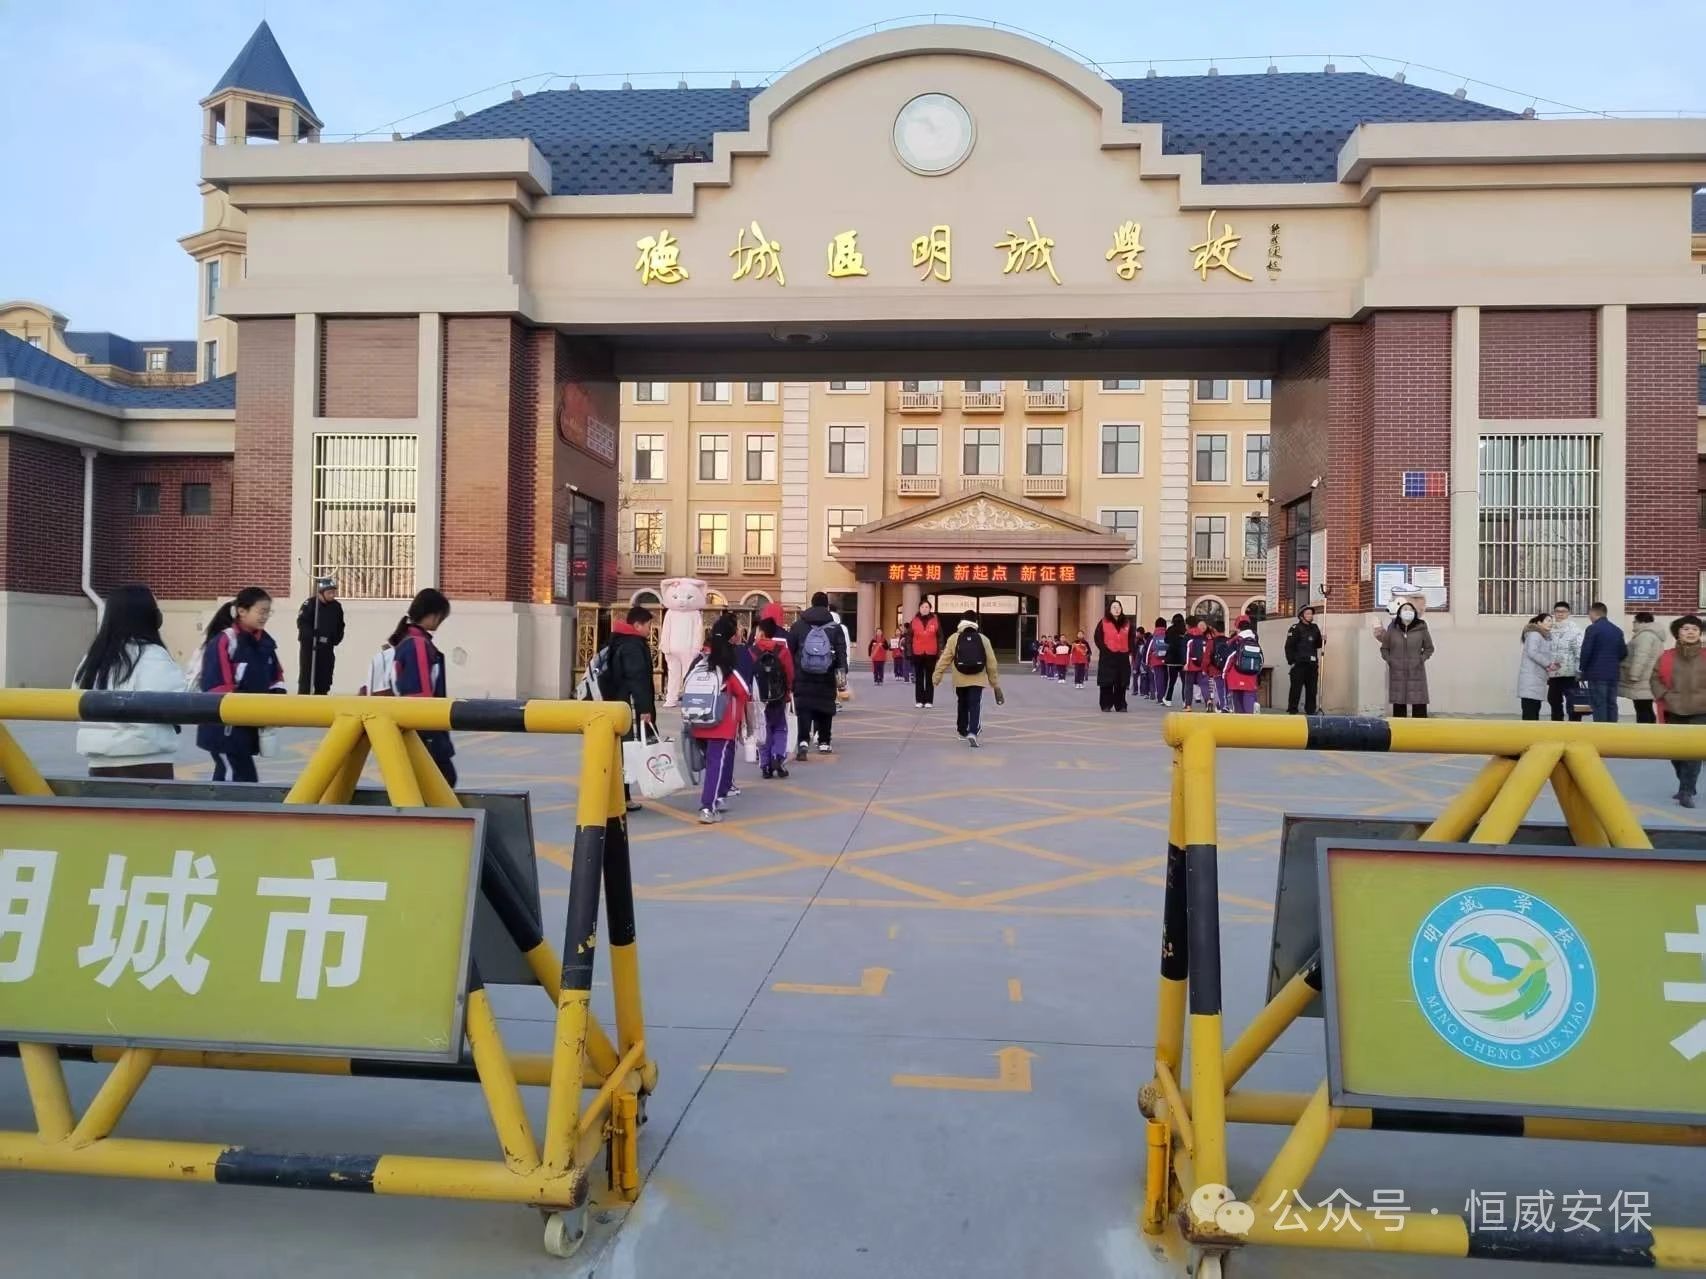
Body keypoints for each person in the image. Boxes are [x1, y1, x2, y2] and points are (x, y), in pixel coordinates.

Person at [73, 583, 184, 778]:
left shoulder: (92, 660)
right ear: (148, 616)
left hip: (99, 763)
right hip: (147, 761)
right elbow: (178, 703)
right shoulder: (152, 655)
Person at [197, 586, 286, 782]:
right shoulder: (225, 641)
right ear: (242, 611)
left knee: (242, 775)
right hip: (224, 726)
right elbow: (217, 684)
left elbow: (276, 676)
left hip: (247, 722)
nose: (265, 616)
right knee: (235, 775)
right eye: (261, 611)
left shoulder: (265, 643)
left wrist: (276, 703)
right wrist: (237, 709)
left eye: (268, 612)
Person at [390, 588, 457, 786]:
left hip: (416, 729)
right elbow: (419, 695)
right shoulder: (418, 645)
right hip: (425, 730)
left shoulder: (407, 640)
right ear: (433, 615)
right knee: (443, 781)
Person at [687, 622, 751, 822]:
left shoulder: (699, 662)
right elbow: (744, 692)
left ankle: (719, 797)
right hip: (721, 724)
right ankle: (708, 807)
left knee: (714, 763)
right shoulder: (727, 667)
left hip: (698, 720)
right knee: (717, 764)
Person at [604, 605, 658, 811]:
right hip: (629, 706)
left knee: (620, 751)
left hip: (616, 703)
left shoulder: (617, 641)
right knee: (628, 752)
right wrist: (645, 709)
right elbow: (637, 679)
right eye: (648, 626)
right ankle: (622, 798)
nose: (649, 630)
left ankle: (619, 796)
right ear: (637, 625)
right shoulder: (633, 646)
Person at [1652, 615, 1706, 807]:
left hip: (1701, 711)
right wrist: (1665, 695)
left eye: (1695, 629)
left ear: (1700, 633)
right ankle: (1687, 784)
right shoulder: (1666, 656)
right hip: (1673, 709)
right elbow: (1655, 679)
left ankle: (1686, 791)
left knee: (1693, 753)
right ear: (1677, 633)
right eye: (1686, 629)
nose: (1690, 632)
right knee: (1675, 753)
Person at [789, 591, 848, 758]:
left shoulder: (798, 626)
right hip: (826, 676)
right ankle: (824, 742)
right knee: (825, 708)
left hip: (803, 675)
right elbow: (841, 655)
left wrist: (792, 676)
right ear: (826, 606)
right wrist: (841, 680)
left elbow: (790, 651)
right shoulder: (835, 628)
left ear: (812, 604)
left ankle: (803, 742)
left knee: (804, 708)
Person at [934, 610, 1004, 747]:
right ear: (975, 622)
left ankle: (962, 731)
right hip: (977, 679)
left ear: (961, 622)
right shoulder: (983, 639)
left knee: (962, 703)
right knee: (975, 704)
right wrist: (995, 684)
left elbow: (945, 659)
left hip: (960, 679)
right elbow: (992, 663)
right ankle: (973, 731)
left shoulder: (954, 638)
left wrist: (937, 675)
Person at [751, 615, 794, 779]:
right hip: (778, 696)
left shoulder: (752, 651)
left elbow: (748, 675)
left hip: (758, 699)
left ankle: (766, 766)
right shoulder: (782, 651)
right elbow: (790, 674)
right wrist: (787, 692)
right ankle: (778, 756)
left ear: (761, 633)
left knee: (763, 730)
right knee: (780, 728)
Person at [1374, 602, 1433, 717]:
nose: (1408, 611)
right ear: (1400, 613)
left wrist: (1421, 659)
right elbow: (1384, 648)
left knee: (1419, 703)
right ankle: (1400, 727)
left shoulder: (1421, 628)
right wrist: (1390, 661)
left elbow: (1429, 648)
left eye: (1410, 609)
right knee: (1399, 703)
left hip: (1416, 671)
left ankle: (1420, 727)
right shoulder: (1392, 629)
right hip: (1397, 672)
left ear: (1414, 613)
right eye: (1405, 609)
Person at [1577, 602, 1627, 724]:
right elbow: (1623, 652)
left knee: (1599, 704)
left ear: (1593, 613)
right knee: (1611, 703)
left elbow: (1586, 651)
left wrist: (1582, 669)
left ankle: (1601, 731)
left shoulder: (1592, 629)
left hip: (1596, 674)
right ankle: (1613, 730)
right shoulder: (1617, 630)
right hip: (1613, 674)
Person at [295, 576, 345, 695]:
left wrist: (336, 638)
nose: (332, 595)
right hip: (311, 647)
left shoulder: (336, 607)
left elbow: (340, 625)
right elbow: (302, 622)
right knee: (306, 679)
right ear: (320, 593)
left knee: (324, 679)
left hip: (326, 648)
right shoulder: (310, 604)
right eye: (329, 593)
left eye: (333, 592)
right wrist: (312, 635)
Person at [1620, 611, 1664, 724]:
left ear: (1642, 622)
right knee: (1646, 707)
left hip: (1642, 679)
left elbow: (1641, 657)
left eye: (1635, 621)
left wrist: (1634, 675)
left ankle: (1644, 731)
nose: (1633, 624)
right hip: (1648, 677)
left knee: (1642, 708)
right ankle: (1650, 730)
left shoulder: (1645, 636)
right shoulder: (1651, 635)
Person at [1094, 601, 1135, 713]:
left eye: (1118, 607)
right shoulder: (1103, 622)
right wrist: (1104, 649)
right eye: (1114, 607)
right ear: (1109, 609)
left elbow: (1131, 638)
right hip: (1107, 656)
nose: (1117, 609)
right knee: (1106, 682)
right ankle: (1106, 704)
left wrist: (1130, 650)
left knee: (1121, 682)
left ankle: (1120, 705)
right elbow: (1097, 637)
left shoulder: (1127, 623)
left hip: (1122, 656)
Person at [1546, 600, 1584, 722]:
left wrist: (1579, 671)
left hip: (1570, 673)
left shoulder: (1575, 630)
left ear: (1568, 613)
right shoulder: (1549, 630)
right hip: (1554, 673)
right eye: (1557, 611)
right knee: (1553, 700)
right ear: (1554, 613)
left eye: (1563, 611)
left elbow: (1579, 652)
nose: (1560, 614)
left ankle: (1574, 726)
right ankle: (1557, 725)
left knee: (1573, 702)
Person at [1284, 605, 1324, 715]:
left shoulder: (1314, 628)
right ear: (1301, 616)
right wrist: (1291, 661)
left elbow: (1317, 644)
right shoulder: (1295, 628)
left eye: (1311, 614)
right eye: (1308, 614)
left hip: (1312, 664)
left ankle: (1310, 710)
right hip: (1299, 664)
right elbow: (1289, 647)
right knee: (1296, 689)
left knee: (1312, 690)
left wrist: (1323, 640)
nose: (1310, 616)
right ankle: (1292, 710)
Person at [1221, 622, 1264, 714]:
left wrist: (1224, 672)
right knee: (1249, 697)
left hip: (1236, 675)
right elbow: (1261, 660)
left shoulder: (1236, 640)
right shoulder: (1254, 641)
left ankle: (1240, 720)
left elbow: (1229, 657)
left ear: (1239, 629)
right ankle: (1250, 718)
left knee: (1237, 698)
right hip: (1251, 676)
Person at [1516, 614, 1552, 721]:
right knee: (1530, 714)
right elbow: (1532, 652)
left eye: (1551, 621)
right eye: (1548, 620)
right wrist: (1548, 664)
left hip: (1536, 680)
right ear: (1539, 623)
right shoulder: (1535, 634)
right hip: (1531, 680)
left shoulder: (1543, 637)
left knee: (1533, 711)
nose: (1551, 623)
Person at [907, 599, 942, 707]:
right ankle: (919, 700)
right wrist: (909, 653)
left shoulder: (935, 620)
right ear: (919, 608)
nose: (924, 609)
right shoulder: (914, 621)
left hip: (931, 653)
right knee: (919, 677)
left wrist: (939, 652)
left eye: (927, 607)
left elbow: (940, 638)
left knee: (930, 678)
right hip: (917, 653)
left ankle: (928, 701)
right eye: (922, 607)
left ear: (930, 609)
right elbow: (909, 638)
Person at [1182, 617, 1213, 712]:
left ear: (1187, 625)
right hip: (1202, 664)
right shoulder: (1202, 636)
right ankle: (1208, 700)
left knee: (1189, 685)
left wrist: (1186, 663)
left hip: (1191, 664)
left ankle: (1188, 705)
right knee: (1204, 684)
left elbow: (1186, 651)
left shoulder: (1188, 636)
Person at [1163, 614, 1188, 707]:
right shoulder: (1185, 630)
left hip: (1172, 659)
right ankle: (1185, 701)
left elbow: (1166, 641)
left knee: (1172, 681)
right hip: (1182, 658)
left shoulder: (1170, 629)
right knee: (1184, 681)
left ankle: (1168, 699)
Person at [1146, 620, 1169, 703]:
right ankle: (1165, 696)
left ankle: (1160, 697)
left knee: (1159, 679)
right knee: (1166, 678)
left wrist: (1147, 663)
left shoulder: (1153, 636)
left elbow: (1148, 651)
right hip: (1167, 660)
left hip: (1156, 661)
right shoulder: (1168, 635)